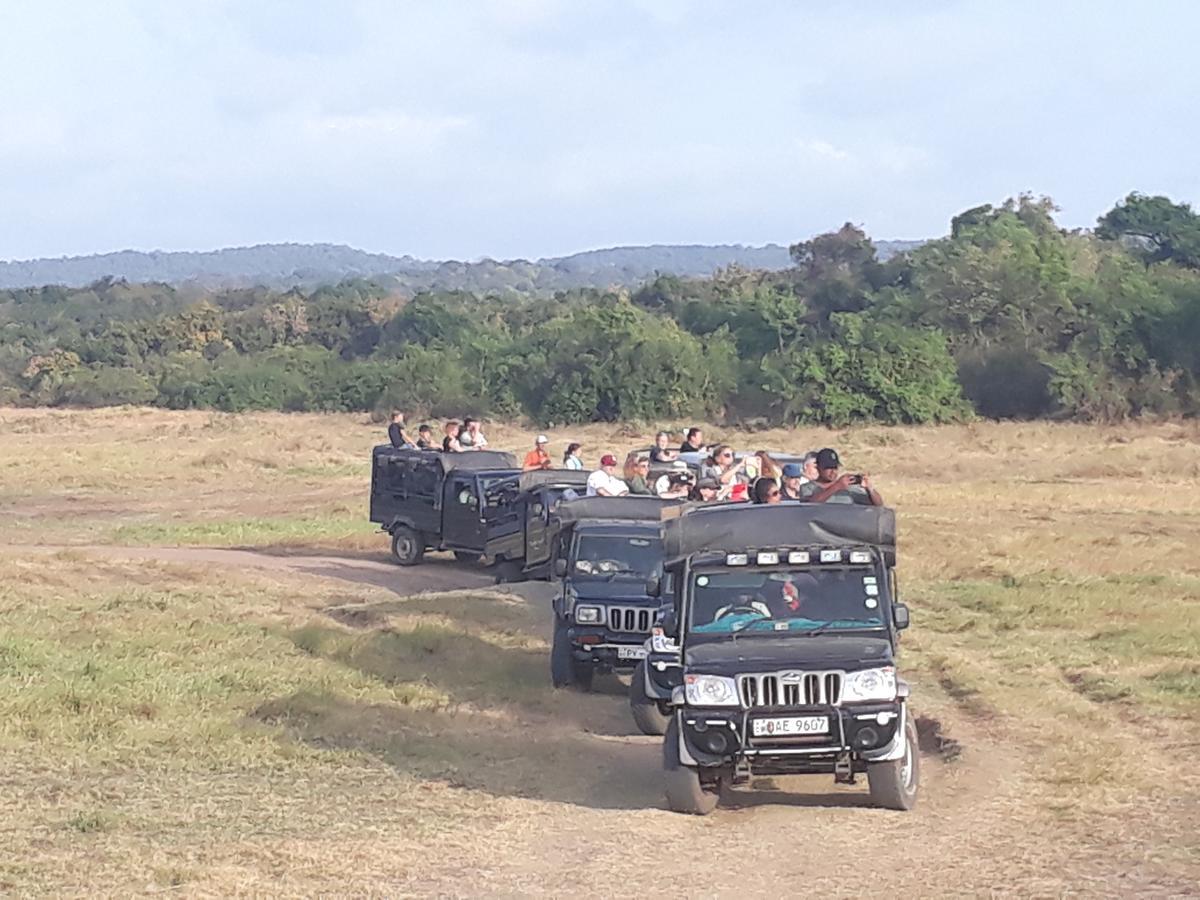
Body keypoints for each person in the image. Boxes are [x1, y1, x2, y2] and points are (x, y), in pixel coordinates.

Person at [799, 448, 884, 506]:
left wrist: (870, 489)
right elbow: (810, 505)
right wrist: (837, 486)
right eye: (828, 468)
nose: (833, 472)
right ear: (818, 467)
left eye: (835, 468)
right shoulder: (807, 488)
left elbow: (878, 505)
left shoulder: (848, 488)